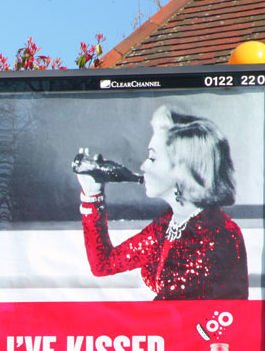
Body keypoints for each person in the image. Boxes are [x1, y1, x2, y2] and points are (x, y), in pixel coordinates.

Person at [74, 106, 249, 300]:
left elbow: (173, 318)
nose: (143, 166)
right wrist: (92, 194)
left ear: (184, 169)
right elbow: (104, 264)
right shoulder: (171, 223)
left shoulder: (213, 235)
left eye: (153, 157)